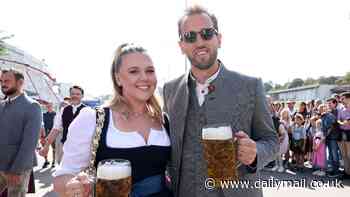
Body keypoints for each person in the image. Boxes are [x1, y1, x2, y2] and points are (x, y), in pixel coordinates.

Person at [162, 5, 278, 197]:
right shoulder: (170, 90)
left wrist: (256, 152)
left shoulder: (250, 86)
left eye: (207, 33)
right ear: (181, 46)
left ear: (219, 39)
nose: (199, 42)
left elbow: (272, 141)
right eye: (190, 36)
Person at [53, 43, 172, 197]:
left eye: (150, 71)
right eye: (133, 71)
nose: (144, 78)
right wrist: (73, 185)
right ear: (118, 78)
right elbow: (61, 178)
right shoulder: (93, 119)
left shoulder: (163, 120)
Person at [0, 68, 42, 197]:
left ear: (20, 83)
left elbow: (29, 143)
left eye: (7, 81)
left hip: (17, 167)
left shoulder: (32, 106)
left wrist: (16, 170)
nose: (3, 84)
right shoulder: (1, 105)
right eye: (1, 81)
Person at [39, 86, 87, 159]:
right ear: (70, 95)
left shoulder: (88, 111)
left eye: (78, 94)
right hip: (66, 148)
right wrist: (46, 146)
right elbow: (55, 129)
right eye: (72, 94)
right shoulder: (63, 110)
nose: (75, 96)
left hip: (82, 150)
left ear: (82, 96)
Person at [337, 92, 350, 177]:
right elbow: (338, 120)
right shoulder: (341, 109)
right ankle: (347, 172)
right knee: (344, 155)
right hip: (342, 133)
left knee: (349, 154)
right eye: (340, 99)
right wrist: (342, 123)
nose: (341, 100)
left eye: (343, 98)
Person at [40, 102, 57, 168]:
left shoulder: (55, 114)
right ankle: (46, 160)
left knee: (54, 148)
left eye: (50, 106)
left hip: (53, 133)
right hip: (45, 133)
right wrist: (42, 135)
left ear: (52, 106)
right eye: (47, 106)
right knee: (44, 147)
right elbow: (41, 124)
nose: (49, 107)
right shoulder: (44, 115)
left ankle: (53, 161)